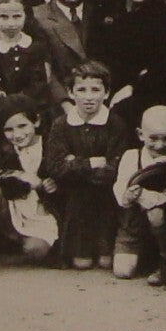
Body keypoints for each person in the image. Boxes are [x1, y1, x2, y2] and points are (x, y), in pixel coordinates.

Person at [42, 60, 126, 270]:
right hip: (73, 200)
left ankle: (106, 246)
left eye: (96, 90)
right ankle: (78, 248)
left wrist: (74, 163)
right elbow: (55, 167)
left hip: (106, 199)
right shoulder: (61, 125)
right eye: (81, 90)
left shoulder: (115, 124)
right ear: (71, 93)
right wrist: (91, 163)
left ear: (106, 93)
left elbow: (115, 168)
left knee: (106, 262)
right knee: (82, 263)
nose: (89, 97)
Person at [0, 94, 59, 281]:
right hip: (12, 209)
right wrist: (17, 174)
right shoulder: (0, 148)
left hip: (43, 213)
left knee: (35, 250)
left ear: (36, 121)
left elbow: (65, 172)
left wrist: (53, 185)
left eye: (22, 126)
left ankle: (29, 247)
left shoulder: (53, 143)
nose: (17, 135)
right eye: (8, 129)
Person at [112, 105, 166, 285]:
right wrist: (128, 195)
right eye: (153, 138)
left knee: (156, 213)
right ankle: (146, 256)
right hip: (133, 224)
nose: (160, 145)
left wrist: (156, 198)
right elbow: (120, 188)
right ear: (141, 135)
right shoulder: (132, 156)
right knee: (123, 270)